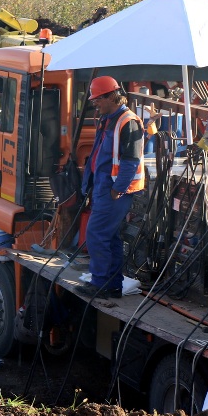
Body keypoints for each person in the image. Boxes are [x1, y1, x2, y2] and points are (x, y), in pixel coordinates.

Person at [78, 76, 144, 299]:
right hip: (103, 187)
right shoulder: (108, 119)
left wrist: (118, 189)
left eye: (97, 99)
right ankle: (113, 285)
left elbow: (130, 161)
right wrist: (88, 185)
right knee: (110, 236)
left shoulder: (127, 121)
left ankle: (100, 284)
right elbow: (99, 155)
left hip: (113, 190)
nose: (94, 103)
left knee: (96, 234)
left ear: (110, 97)